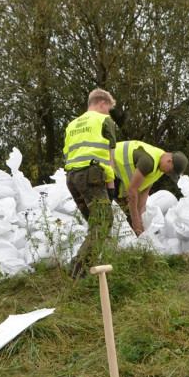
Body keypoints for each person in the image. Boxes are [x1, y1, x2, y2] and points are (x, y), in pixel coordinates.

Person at [63, 89, 117, 277]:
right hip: (91, 176)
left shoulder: (72, 125)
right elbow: (109, 158)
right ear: (102, 103)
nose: (108, 113)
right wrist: (111, 189)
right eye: (108, 108)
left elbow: (67, 154)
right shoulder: (104, 120)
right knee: (103, 221)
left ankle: (86, 268)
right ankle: (79, 267)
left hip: (72, 178)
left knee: (94, 222)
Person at [111, 141, 188, 235]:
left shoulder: (160, 169)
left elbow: (143, 194)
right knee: (110, 213)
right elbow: (131, 192)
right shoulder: (148, 162)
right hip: (107, 163)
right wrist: (135, 221)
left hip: (117, 177)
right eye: (170, 171)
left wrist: (142, 220)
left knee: (128, 216)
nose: (169, 174)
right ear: (169, 161)